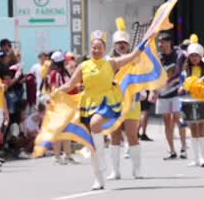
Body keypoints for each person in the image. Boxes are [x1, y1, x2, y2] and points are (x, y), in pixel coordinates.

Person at [57, 30, 145, 190]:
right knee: (92, 145)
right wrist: (56, 92)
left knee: (95, 123)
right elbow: (70, 84)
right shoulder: (83, 66)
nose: (96, 51)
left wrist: (143, 44)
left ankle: (106, 159)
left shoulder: (110, 63)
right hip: (88, 103)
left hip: (107, 103)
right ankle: (99, 178)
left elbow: (131, 56)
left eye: (99, 48)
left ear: (104, 49)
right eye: (93, 48)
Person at [107, 18, 143, 179]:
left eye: (124, 43)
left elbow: (142, 77)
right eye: (118, 43)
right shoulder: (108, 61)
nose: (121, 45)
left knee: (132, 135)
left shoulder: (136, 59)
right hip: (113, 102)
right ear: (114, 45)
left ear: (128, 45)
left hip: (132, 101)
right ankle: (115, 171)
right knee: (114, 136)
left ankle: (137, 169)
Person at [152, 31, 188, 160]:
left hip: (177, 93)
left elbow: (186, 69)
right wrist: (153, 91)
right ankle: (172, 150)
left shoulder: (179, 55)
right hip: (163, 93)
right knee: (167, 123)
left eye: (163, 42)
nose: (161, 44)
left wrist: (184, 84)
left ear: (169, 42)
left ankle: (184, 148)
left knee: (179, 119)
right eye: (159, 42)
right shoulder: (158, 58)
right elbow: (154, 76)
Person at [180, 37, 204, 168]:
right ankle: (196, 158)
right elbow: (182, 85)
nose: (194, 58)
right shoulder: (185, 71)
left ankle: (203, 157)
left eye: (196, 56)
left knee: (201, 129)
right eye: (191, 56)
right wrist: (182, 88)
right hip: (189, 101)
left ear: (200, 57)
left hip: (202, 101)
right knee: (193, 130)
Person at [46, 51, 78, 165]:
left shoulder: (63, 72)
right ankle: (57, 156)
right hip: (59, 104)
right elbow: (54, 89)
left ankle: (67, 155)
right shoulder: (55, 73)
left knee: (67, 130)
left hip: (66, 103)